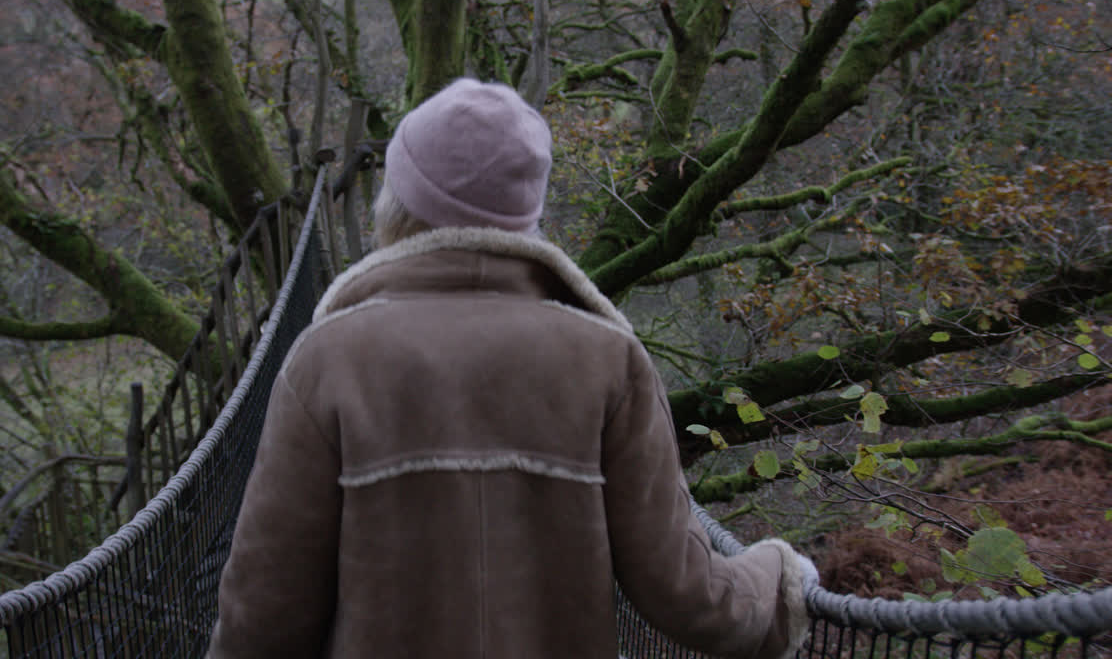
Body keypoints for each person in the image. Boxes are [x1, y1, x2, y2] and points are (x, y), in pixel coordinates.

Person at [207, 78, 816, 659]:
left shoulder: (326, 359)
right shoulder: (606, 359)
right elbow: (689, 591)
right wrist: (782, 580)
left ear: (398, 200)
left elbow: (264, 611)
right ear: (528, 212)